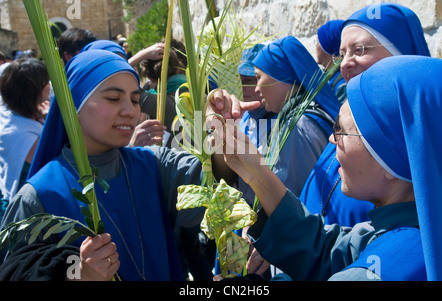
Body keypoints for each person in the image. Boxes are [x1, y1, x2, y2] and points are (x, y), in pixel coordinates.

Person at [0, 50, 257, 281]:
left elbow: (214, 180)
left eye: (135, 100)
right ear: (72, 106)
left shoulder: (154, 164)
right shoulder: (39, 196)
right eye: (113, 98)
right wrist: (78, 274)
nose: (130, 111)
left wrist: (225, 131)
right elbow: (16, 271)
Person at [214, 55, 442, 281]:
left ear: (390, 158)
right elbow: (325, 253)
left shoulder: (377, 270)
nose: (331, 139)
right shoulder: (416, 228)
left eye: (340, 129)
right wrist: (255, 170)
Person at [299, 3, 431, 227]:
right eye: (342, 54)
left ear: (401, 54)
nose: (345, 65)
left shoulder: (419, 140)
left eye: (360, 50)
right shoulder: (348, 122)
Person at [237, 36, 341, 205]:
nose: (256, 88)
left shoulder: (298, 127)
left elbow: (286, 198)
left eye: (258, 78)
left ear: (280, 76)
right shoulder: (302, 115)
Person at [0, 58, 50, 219]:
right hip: (24, 214)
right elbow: (53, 161)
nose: (49, 84)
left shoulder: (10, 114)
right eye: (45, 80)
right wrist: (52, 120)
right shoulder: (23, 136)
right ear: (33, 91)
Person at [315, 20, 346, 103]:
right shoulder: (325, 76)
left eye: (318, 41)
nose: (316, 45)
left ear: (328, 47)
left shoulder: (342, 85)